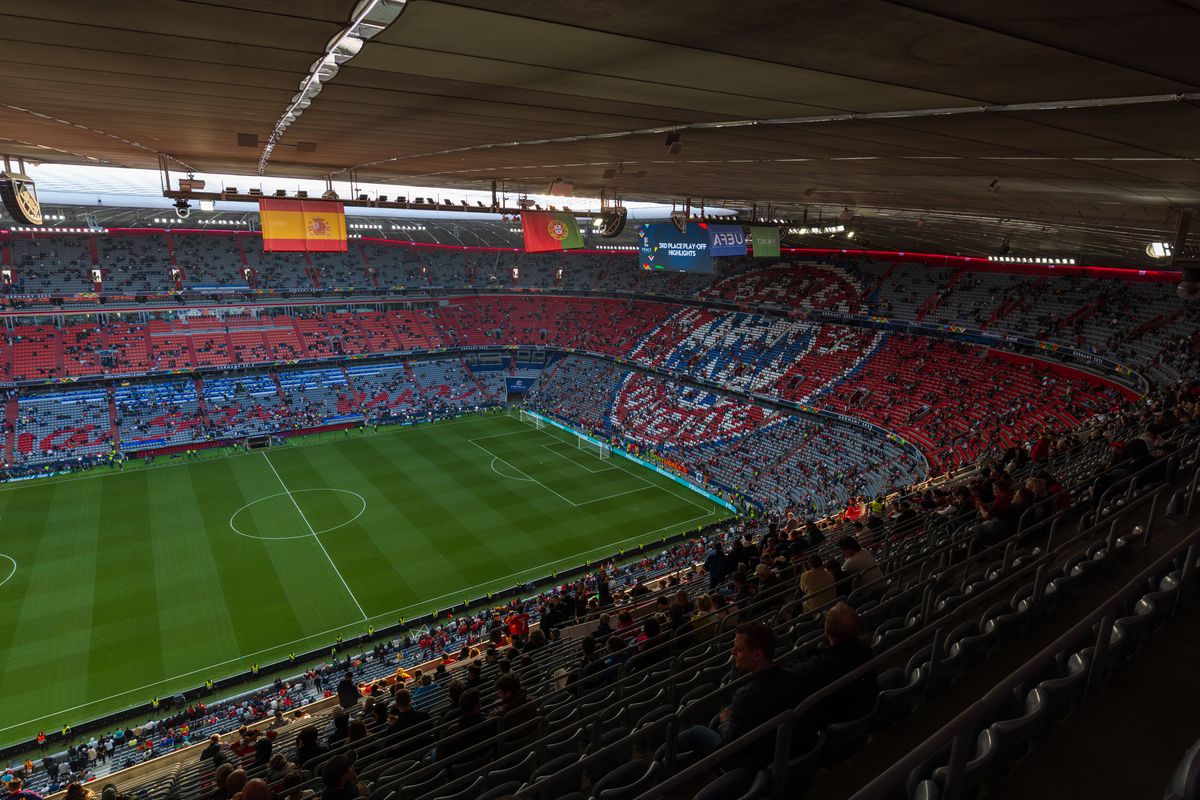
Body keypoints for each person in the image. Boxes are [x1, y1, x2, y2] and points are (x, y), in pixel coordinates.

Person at [677, 622, 804, 768]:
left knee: (694, 732)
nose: (733, 653)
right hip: (783, 754)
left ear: (757, 654)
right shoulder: (793, 677)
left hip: (755, 763)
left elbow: (729, 744)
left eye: (739, 650)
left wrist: (725, 721)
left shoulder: (746, 696)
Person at [790, 603, 878, 747]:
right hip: (861, 714)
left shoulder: (820, 666)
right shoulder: (866, 650)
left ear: (826, 631)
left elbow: (795, 672)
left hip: (833, 724)